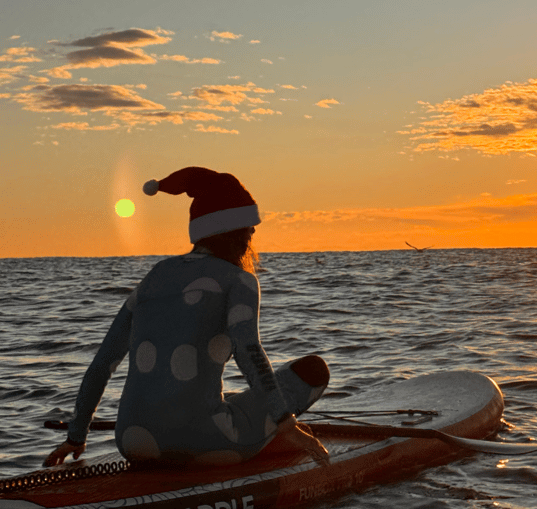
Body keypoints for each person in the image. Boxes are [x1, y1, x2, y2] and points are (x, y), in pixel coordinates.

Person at [45, 167, 330, 467]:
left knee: (224, 399)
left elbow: (103, 363)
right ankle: (273, 436)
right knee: (312, 370)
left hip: (132, 441)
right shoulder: (239, 280)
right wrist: (287, 423)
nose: (254, 232)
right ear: (234, 230)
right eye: (250, 224)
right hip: (203, 441)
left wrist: (76, 436)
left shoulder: (154, 277)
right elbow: (248, 350)